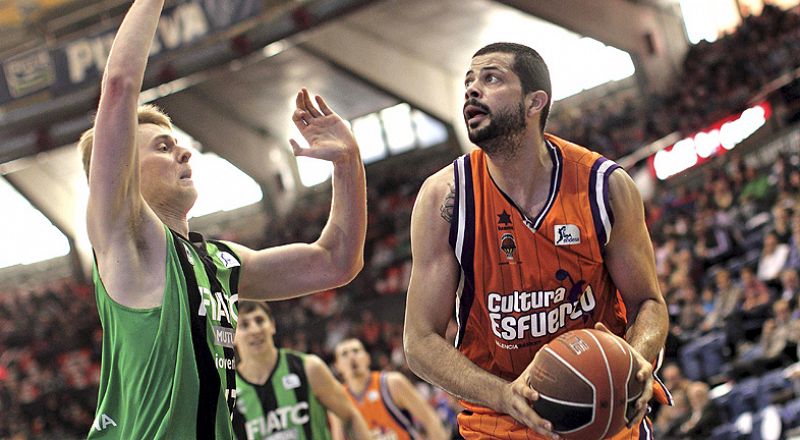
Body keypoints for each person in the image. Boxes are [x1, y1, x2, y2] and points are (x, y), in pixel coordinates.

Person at [79, 1, 366, 438]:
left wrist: (347, 164)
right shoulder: (127, 242)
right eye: (161, 147)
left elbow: (336, 261)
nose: (184, 151)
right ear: (124, 174)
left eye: (176, 143)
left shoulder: (218, 260)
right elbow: (118, 86)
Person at [403, 42, 670, 440]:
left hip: (601, 416)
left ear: (534, 102)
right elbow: (419, 340)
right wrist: (504, 395)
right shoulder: (445, 197)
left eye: (491, 78)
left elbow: (649, 303)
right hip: (498, 423)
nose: (471, 90)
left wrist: (635, 358)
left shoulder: (605, 187)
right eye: (468, 82)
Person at [232, 302, 371, 440]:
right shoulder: (229, 392)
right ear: (233, 334)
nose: (255, 330)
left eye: (260, 320)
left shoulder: (309, 367)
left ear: (272, 325)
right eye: (244, 325)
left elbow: (351, 416)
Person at [332, 338, 448, 440]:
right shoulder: (338, 399)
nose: (351, 357)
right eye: (344, 354)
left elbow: (431, 420)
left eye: (356, 351)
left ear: (367, 358)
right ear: (337, 366)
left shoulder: (392, 383)